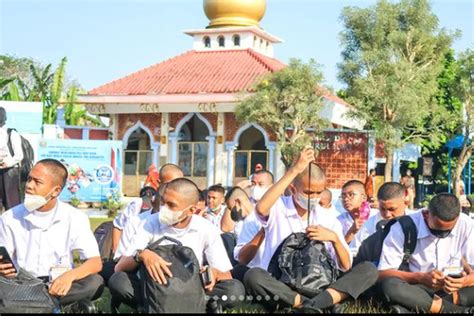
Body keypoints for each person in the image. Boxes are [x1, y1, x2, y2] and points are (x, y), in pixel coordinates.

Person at [244, 147, 378, 312]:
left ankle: (309, 306)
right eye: (308, 192)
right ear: (293, 189)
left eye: (318, 193)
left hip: (320, 283)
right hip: (283, 283)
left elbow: (345, 265)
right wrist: (294, 170)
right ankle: (318, 305)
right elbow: (261, 208)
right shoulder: (279, 208)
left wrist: (334, 238)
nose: (314, 197)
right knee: (253, 276)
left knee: (369, 270)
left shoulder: (328, 218)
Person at [108, 178, 245, 312]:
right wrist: (142, 255)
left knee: (235, 290)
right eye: (163, 202)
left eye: (171, 205)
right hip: (154, 286)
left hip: (191, 288)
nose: (164, 208)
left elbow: (226, 274)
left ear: (191, 210)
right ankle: (174, 305)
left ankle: (168, 305)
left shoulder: (205, 228)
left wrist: (214, 273)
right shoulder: (149, 223)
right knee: (118, 281)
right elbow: (119, 268)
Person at [0, 159, 104, 312]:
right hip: (20, 283)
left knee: (95, 282)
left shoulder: (74, 217)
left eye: (37, 182)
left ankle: (24, 305)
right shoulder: (10, 218)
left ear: (55, 191)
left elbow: (95, 262)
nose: (29, 186)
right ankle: (55, 306)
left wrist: (70, 276)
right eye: (29, 179)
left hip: (58, 284)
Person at [378, 193, 474, 313]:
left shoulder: (467, 224)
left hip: (454, 289)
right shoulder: (403, 227)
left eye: (448, 231)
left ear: (457, 218)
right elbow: (382, 274)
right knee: (390, 285)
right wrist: (419, 277)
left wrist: (465, 281)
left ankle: (414, 307)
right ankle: (458, 311)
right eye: (436, 230)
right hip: (416, 287)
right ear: (425, 214)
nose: (442, 235)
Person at [351, 182, 416, 257]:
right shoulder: (369, 226)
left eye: (392, 209)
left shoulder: (416, 221)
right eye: (383, 209)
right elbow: (354, 253)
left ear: (405, 202)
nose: (387, 214)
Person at [221, 187, 265, 282]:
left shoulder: (254, 219)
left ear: (237, 202)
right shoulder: (241, 222)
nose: (230, 212)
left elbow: (242, 259)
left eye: (230, 208)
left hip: (256, 270)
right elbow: (225, 228)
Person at [337, 180, 378, 255]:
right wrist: (352, 231)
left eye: (351, 194)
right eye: (343, 196)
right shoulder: (339, 220)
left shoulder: (376, 216)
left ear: (364, 198)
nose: (346, 199)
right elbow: (337, 249)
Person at [0, 107, 23, 212]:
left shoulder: (11, 133)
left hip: (9, 173)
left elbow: (19, 155)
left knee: (11, 204)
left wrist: (7, 163)